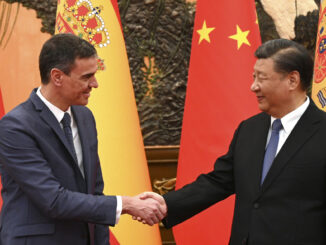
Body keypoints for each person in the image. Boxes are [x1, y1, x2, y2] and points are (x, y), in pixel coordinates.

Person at [141, 39, 326, 245]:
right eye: (253, 77)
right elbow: (219, 181)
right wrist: (167, 204)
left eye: (261, 78)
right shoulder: (249, 129)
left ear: (292, 80)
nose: (253, 86)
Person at [0, 33, 166, 245]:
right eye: (86, 77)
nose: (94, 84)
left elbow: (94, 191)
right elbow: (53, 200)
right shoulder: (15, 127)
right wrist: (126, 204)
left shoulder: (85, 117)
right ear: (57, 77)